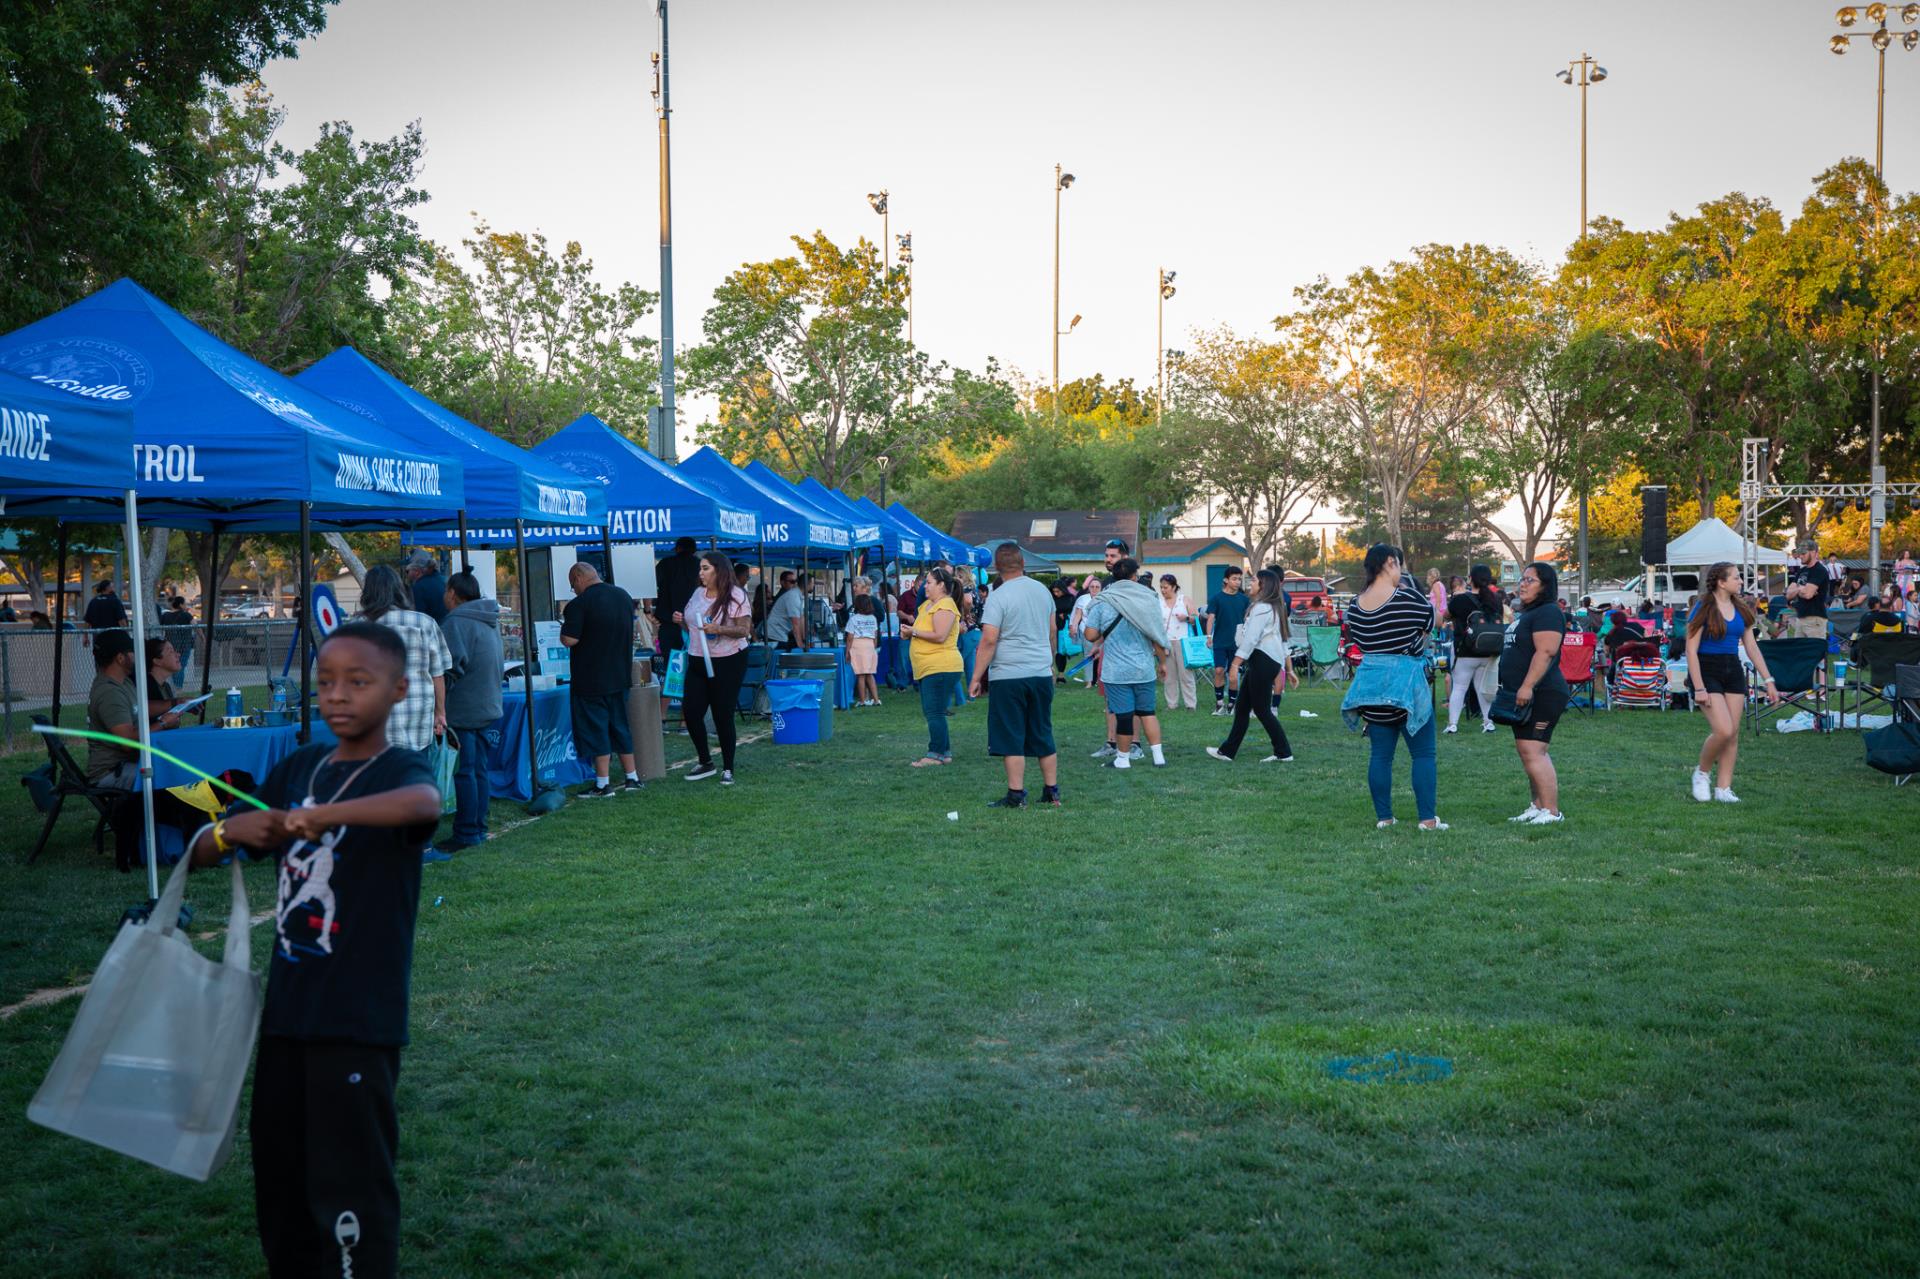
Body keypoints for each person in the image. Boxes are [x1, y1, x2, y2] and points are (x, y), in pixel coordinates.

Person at [185, 622, 440, 1279]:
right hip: (287, 1018)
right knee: (284, 1184)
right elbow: (210, 849)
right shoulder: (301, 766)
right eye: (325, 681)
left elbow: (424, 803)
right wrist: (226, 828)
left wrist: (321, 817)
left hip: (357, 1021)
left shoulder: (399, 767)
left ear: (399, 689)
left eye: (359, 681)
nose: (338, 695)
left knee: (350, 1190)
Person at [1340, 545, 1445, 831]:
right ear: (1389, 563)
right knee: (1423, 754)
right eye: (1399, 565)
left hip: (1371, 684)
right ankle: (1427, 819)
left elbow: (1360, 640)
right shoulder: (1408, 597)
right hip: (1407, 684)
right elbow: (1434, 622)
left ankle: (1384, 818)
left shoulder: (1354, 604)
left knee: (1380, 756)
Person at [972, 544, 1060, 807]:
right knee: (1042, 731)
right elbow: (1052, 630)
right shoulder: (1042, 591)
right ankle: (1051, 790)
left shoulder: (998, 596)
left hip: (1009, 674)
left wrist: (976, 676)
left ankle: (1016, 794)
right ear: (1023, 562)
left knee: (1011, 735)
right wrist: (1050, 662)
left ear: (996, 567)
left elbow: (989, 640)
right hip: (1040, 671)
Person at [1684, 561, 1779, 805]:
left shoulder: (1742, 608)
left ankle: (1723, 789)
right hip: (1706, 669)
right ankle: (1702, 772)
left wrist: (1768, 680)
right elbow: (1691, 650)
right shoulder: (1702, 608)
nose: (1740, 581)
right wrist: (1699, 687)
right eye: (1736, 577)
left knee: (1733, 734)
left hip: (1732, 669)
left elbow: (1751, 646)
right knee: (1723, 730)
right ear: (1721, 582)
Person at [1498, 562, 1570, 825]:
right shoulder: (1530, 613)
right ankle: (1537, 806)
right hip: (1524, 693)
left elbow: (1546, 652)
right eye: (1522, 579)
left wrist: (1527, 685)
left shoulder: (1549, 613)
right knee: (1526, 750)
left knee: (1534, 751)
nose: (1523, 584)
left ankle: (1552, 812)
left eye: (1531, 580)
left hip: (1543, 691)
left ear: (1545, 586)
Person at [559, 561, 639, 797]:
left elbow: (569, 640)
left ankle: (603, 784)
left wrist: (563, 630)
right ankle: (631, 777)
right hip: (621, 675)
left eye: (572, 584)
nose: (573, 589)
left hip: (591, 679)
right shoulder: (623, 596)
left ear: (578, 577)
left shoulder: (578, 604)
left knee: (597, 729)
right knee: (620, 726)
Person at [351, 566, 449, 757]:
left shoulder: (356, 627)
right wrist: (440, 713)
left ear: (367, 593)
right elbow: (438, 674)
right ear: (399, 590)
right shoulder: (425, 623)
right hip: (418, 723)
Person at [1081, 557, 1170, 769]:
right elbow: (1155, 634)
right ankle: (1158, 757)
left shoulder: (1104, 601)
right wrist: (1163, 663)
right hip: (1144, 668)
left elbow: (1091, 635)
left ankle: (1122, 759)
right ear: (1134, 576)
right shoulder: (1148, 599)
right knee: (1147, 713)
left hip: (1116, 671)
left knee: (1123, 716)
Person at [673, 550, 753, 784]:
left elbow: (744, 630)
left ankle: (728, 767)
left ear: (719, 570)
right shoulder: (698, 593)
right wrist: (682, 622)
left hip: (728, 659)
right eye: (700, 568)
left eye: (705, 568)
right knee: (691, 711)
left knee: (722, 713)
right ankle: (705, 760)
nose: (701, 573)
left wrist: (719, 629)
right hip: (697, 657)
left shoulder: (736, 595)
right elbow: (693, 627)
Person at [1206, 567, 1298, 764]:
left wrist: (1234, 665)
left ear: (1263, 585)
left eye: (1254, 581)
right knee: (1242, 708)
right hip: (1266, 662)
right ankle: (1228, 751)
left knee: (1262, 710)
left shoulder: (1262, 608)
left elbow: (1250, 640)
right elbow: (1282, 640)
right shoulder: (1272, 607)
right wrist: (1288, 669)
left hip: (1262, 662)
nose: (1250, 584)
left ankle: (1284, 752)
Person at [439, 570, 503, 851]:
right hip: (487, 702)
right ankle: (478, 827)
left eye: (445, 590)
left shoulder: (457, 622)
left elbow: (451, 666)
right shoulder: (488, 618)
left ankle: (466, 832)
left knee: (466, 771)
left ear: (453, 593)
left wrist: (438, 696)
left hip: (465, 706)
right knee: (478, 769)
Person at [904, 567, 964, 766]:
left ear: (941, 585)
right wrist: (910, 632)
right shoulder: (928, 605)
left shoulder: (945, 606)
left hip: (941, 666)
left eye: (929, 582)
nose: (924, 586)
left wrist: (913, 632)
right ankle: (944, 752)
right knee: (935, 710)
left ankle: (935, 754)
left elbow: (940, 636)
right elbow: (922, 630)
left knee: (934, 712)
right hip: (930, 666)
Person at [1444, 565, 1504, 734]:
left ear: (1470, 579)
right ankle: (1488, 722)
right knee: (1482, 687)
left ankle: (1452, 724)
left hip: (1465, 650)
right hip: (1489, 650)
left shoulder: (1460, 599)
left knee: (1460, 687)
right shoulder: (1495, 600)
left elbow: (1446, 615)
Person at [1205, 567, 1249, 716]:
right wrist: (1208, 636)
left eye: (1239, 579)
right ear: (1226, 580)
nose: (1237, 582)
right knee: (1218, 671)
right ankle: (1219, 704)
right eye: (1234, 579)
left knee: (1233, 675)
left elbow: (1247, 620)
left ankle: (1231, 705)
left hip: (1237, 644)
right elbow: (1211, 618)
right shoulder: (1217, 598)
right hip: (1219, 642)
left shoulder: (1244, 599)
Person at [1157, 574, 1200, 711]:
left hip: (1183, 641)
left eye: (1166, 587)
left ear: (1174, 587)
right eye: (1161, 587)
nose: (1163, 590)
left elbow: (1195, 618)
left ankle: (1190, 704)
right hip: (1166, 642)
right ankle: (1171, 704)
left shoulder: (1184, 599)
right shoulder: (1158, 602)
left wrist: (1186, 618)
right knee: (1169, 675)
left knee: (1186, 674)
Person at [654, 536, 702, 653]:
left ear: (677, 549)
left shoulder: (665, 563)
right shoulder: (701, 565)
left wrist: (647, 611)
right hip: (696, 623)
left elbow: (650, 586)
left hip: (668, 621)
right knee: (696, 661)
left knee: (671, 664)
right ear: (695, 550)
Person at [1785, 539, 1833, 641]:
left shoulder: (1819, 570)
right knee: (1800, 653)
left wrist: (1799, 589)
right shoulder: (1802, 570)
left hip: (1815, 619)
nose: (1800, 556)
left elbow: (1808, 595)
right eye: (1799, 553)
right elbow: (1788, 595)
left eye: (1803, 553)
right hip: (1800, 617)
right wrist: (1800, 588)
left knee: (1815, 653)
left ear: (1814, 552)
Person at [848, 595, 881, 706]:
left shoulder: (853, 619)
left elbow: (850, 637)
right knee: (870, 674)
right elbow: (875, 636)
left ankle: (862, 700)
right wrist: (873, 648)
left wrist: (847, 651)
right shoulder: (873, 618)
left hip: (858, 645)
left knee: (860, 675)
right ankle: (876, 700)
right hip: (870, 645)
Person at [765, 569, 808, 650]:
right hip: (776, 633)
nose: (795, 584)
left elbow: (801, 618)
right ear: (782, 582)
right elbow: (795, 623)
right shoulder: (791, 596)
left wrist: (804, 638)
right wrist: (801, 644)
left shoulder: (793, 594)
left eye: (796, 581)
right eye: (791, 581)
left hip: (780, 632)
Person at [403, 551, 448, 623]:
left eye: (407, 571)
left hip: (432, 631)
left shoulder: (419, 588)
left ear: (417, 572)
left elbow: (417, 619)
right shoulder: (445, 580)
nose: (406, 575)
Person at [160, 594, 195, 683]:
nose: (186, 606)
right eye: (184, 604)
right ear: (180, 605)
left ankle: (174, 686)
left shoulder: (165, 615)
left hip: (170, 645)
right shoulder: (186, 615)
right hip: (185, 645)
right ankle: (178, 687)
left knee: (173, 666)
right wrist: (203, 638)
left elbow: (160, 629)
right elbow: (196, 626)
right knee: (180, 666)